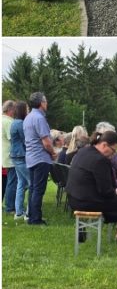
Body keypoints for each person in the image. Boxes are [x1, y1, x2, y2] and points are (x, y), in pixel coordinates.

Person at [67, 129, 117, 243]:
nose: (113, 154)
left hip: (74, 200)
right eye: (113, 151)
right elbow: (106, 192)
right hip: (88, 202)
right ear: (104, 145)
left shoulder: (84, 151)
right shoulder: (101, 160)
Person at [22, 92, 54, 226]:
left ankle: (32, 217)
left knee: (33, 189)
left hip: (30, 157)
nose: (47, 104)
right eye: (45, 101)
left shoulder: (28, 117)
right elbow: (46, 142)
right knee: (38, 190)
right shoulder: (39, 118)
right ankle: (36, 219)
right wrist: (53, 153)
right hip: (40, 158)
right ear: (41, 103)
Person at [4, 102, 29, 219]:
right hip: (20, 156)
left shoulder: (14, 122)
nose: (28, 111)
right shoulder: (20, 123)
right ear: (23, 110)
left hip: (15, 156)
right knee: (32, 183)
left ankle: (18, 212)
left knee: (21, 183)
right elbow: (26, 140)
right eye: (27, 109)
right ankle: (29, 213)